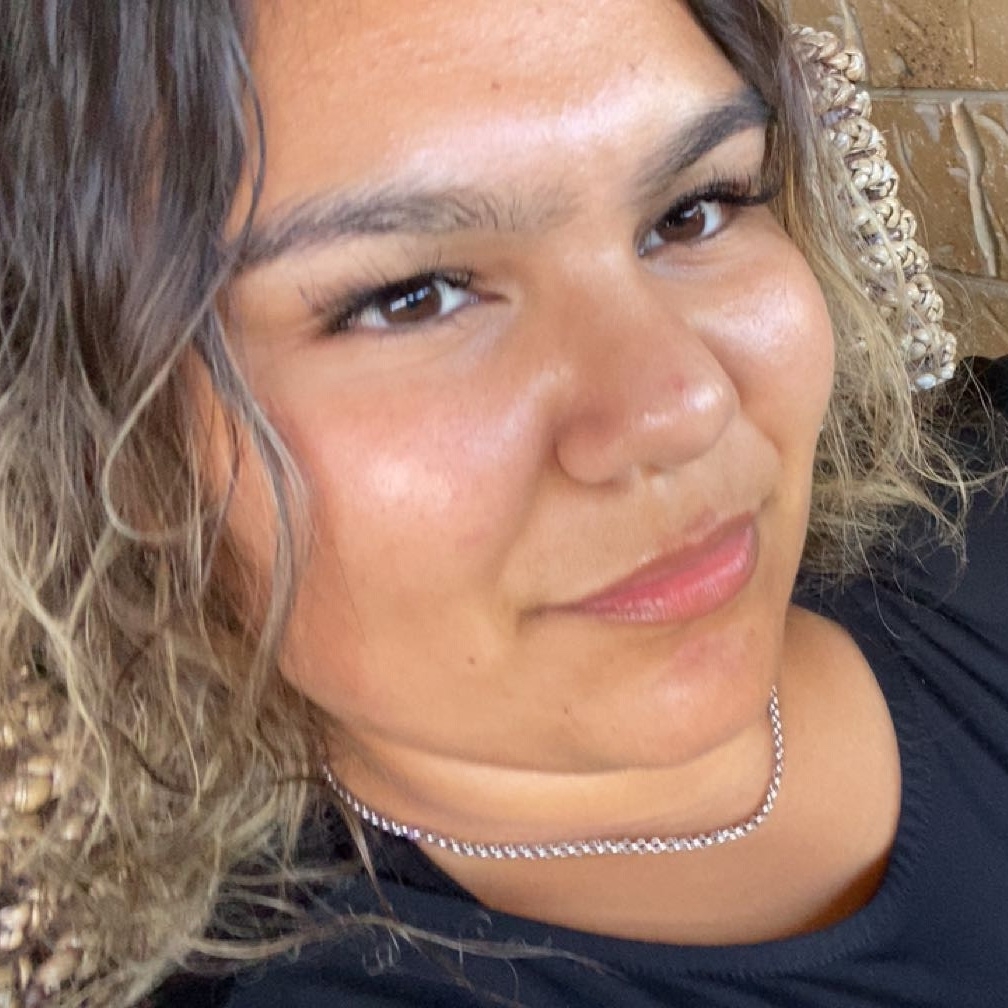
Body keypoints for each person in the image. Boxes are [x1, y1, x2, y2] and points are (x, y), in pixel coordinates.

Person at [2, 1, 1007, 1006]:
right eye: (412, 296)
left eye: (694, 209)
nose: (682, 407)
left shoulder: (970, 503)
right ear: (110, 445)